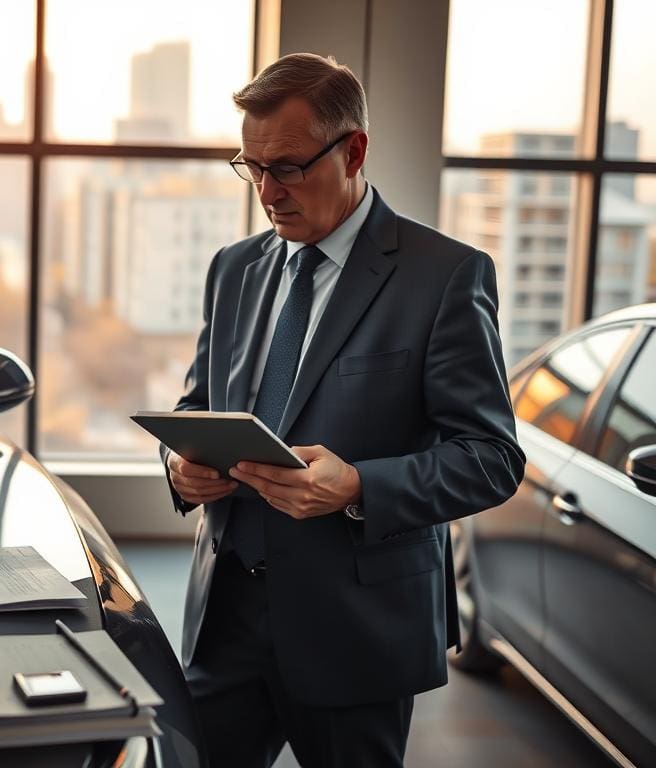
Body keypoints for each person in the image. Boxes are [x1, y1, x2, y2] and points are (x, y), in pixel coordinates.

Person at [161, 53, 525, 767]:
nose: (268, 191)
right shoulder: (234, 268)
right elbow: (198, 403)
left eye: (289, 167)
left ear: (353, 150)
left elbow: (492, 459)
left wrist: (360, 485)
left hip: (358, 632)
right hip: (225, 616)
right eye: (252, 167)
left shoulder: (445, 277)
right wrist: (179, 468)